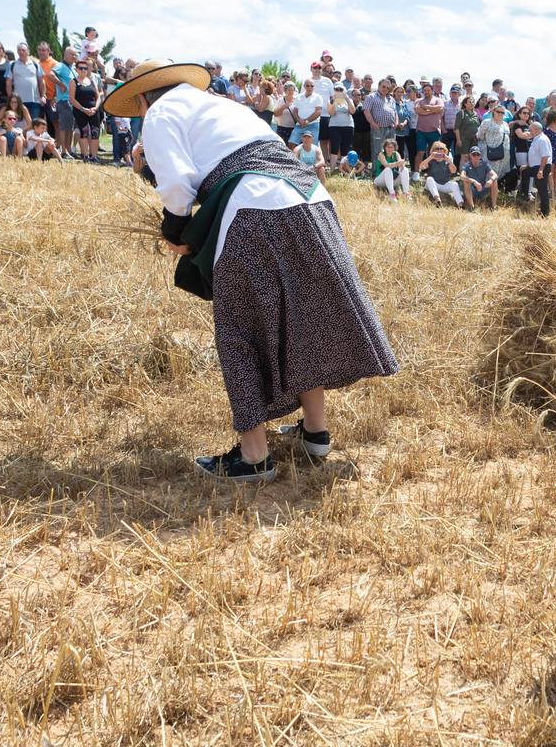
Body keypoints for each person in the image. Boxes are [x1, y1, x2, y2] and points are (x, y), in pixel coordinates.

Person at [106, 60, 398, 482]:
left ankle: (254, 456)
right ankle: (315, 434)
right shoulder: (222, 106)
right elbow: (215, 161)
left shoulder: (161, 114)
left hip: (254, 207)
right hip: (312, 201)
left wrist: (174, 231)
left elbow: (178, 186)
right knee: (303, 317)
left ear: (143, 98)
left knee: (240, 327)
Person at [69, 57, 103, 163]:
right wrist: (83, 109)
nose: (83, 70)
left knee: (95, 133)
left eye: (85, 68)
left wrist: (95, 108)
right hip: (80, 111)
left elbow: (98, 97)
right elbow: (72, 99)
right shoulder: (73, 82)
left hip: (94, 111)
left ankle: (94, 156)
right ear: (76, 69)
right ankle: (85, 156)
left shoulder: (92, 81)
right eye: (81, 68)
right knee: (83, 133)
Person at [521, 120, 553, 217]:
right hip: (537, 166)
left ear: (536, 130)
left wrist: (540, 170)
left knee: (542, 189)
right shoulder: (537, 138)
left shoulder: (542, 139)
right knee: (525, 172)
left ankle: (545, 213)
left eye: (530, 130)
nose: (529, 131)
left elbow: (545, 156)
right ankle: (526, 194)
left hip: (542, 167)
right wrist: (528, 165)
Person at [7, 43, 43, 122]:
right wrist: (10, 98)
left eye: (23, 50)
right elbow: (8, 82)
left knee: (34, 124)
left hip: (34, 101)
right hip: (18, 101)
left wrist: (43, 96)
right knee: (19, 124)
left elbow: (41, 81)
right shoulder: (12, 64)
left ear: (28, 52)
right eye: (19, 50)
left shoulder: (36, 64)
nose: (21, 52)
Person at [420, 141, 463, 207]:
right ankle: (437, 200)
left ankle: (460, 205)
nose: (439, 150)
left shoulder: (447, 160)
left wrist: (449, 161)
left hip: (444, 184)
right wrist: (430, 157)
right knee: (429, 179)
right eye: (437, 149)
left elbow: (453, 171)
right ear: (433, 150)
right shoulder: (431, 160)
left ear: (444, 151)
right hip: (433, 184)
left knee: (455, 184)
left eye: (441, 149)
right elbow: (421, 167)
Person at [373, 137, 410, 201]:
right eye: (388, 147)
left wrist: (402, 164)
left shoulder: (396, 154)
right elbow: (386, 165)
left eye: (391, 147)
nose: (389, 149)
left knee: (405, 169)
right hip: (380, 181)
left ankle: (406, 193)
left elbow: (401, 165)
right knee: (387, 169)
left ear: (394, 148)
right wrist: (397, 163)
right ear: (384, 147)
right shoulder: (381, 154)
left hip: (392, 180)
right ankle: (392, 194)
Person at [327, 85, 354, 163]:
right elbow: (331, 113)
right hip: (334, 126)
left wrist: (346, 99)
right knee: (334, 147)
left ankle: (343, 168)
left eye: (341, 90)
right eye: (336, 89)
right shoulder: (331, 100)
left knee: (345, 148)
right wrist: (335, 100)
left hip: (348, 126)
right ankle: (332, 169)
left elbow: (352, 111)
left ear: (344, 91)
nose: (339, 91)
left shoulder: (349, 100)